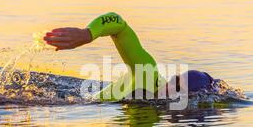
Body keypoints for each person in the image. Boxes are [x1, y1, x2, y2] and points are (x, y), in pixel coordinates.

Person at [43, 12, 214, 101]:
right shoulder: (148, 74)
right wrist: (87, 34)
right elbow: (118, 24)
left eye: (178, 89)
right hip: (79, 101)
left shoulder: (155, 123)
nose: (169, 87)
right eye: (174, 80)